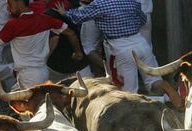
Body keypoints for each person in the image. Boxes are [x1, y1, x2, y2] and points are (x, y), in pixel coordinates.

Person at [54, 0, 183, 108]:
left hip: (121, 48)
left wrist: (65, 13)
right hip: (140, 42)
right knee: (153, 80)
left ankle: (163, 101)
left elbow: (77, 17)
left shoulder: (100, 4)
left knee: (129, 93)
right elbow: (143, 20)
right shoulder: (131, 1)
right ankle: (169, 96)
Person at [0, 0, 84, 88]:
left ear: (18, 2)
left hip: (28, 75)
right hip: (42, 70)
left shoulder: (13, 25)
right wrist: (78, 52)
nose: (7, 8)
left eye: (9, 3)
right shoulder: (45, 19)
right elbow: (70, 33)